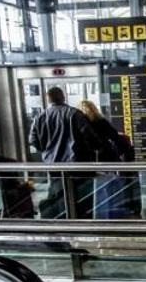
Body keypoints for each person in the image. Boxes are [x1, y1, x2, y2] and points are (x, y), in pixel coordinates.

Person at [29, 87, 101, 218]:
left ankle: (64, 221)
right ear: (63, 97)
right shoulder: (75, 114)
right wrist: (96, 149)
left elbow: (33, 140)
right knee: (82, 199)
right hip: (78, 166)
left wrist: (47, 151)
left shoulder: (40, 117)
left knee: (58, 196)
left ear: (48, 99)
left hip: (53, 166)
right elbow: (89, 136)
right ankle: (80, 224)